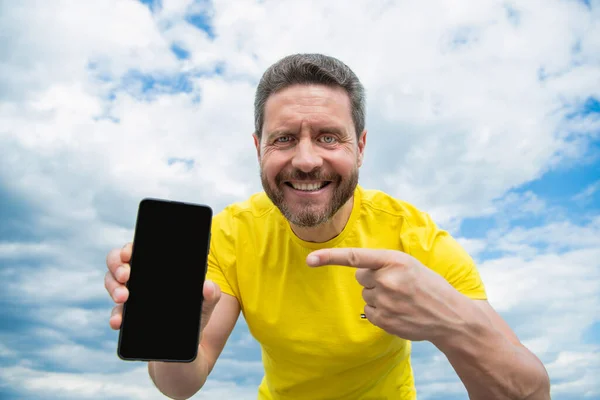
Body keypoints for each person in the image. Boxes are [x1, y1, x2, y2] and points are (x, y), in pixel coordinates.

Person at [104, 53, 551, 400]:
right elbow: (180, 385)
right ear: (258, 147)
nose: (305, 160)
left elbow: (529, 392)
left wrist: (451, 322)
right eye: (283, 138)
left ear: (360, 146)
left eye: (328, 137)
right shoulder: (230, 234)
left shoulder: (414, 238)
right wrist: (173, 336)